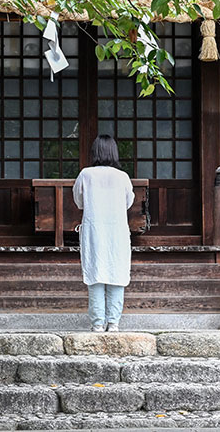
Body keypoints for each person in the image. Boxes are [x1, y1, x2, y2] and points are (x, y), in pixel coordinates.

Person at [72, 134, 135, 332]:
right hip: (117, 230)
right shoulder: (122, 176)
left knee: (95, 273)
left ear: (95, 152)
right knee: (117, 274)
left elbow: (79, 201)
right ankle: (113, 322)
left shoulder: (86, 174)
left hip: (94, 229)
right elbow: (128, 202)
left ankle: (98, 323)